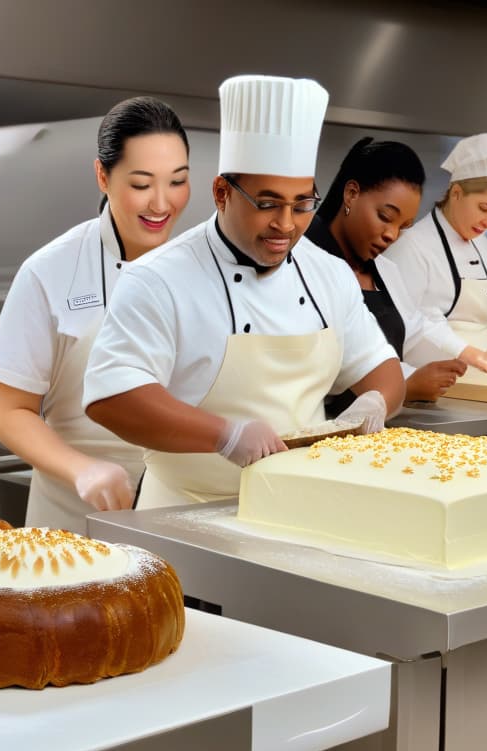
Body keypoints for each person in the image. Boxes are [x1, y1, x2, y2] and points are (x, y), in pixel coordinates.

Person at [84, 75, 405, 509]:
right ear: (221, 193)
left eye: (302, 204)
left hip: (302, 507)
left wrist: (374, 404)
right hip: (186, 513)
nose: (286, 224)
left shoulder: (328, 273)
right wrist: (225, 435)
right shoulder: (158, 278)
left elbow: (382, 369)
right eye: (268, 203)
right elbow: (112, 398)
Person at [0, 97, 191, 532]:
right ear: (102, 176)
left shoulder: (204, 267)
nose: (161, 203)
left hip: (178, 518)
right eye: (141, 184)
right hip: (75, 522)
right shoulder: (50, 270)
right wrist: (83, 469)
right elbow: (9, 412)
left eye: (177, 182)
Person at [305, 137, 466, 403]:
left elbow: (414, 336)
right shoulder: (304, 264)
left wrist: (460, 355)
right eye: (385, 217)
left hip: (382, 427)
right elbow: (314, 369)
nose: (392, 234)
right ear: (351, 194)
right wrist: (405, 385)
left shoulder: (386, 271)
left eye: (403, 226)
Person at [385, 133, 487, 372]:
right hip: (432, 382)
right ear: (456, 192)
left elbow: (481, 326)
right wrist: (469, 354)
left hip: (483, 382)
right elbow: (406, 324)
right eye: (484, 208)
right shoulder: (413, 246)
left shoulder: (485, 247)